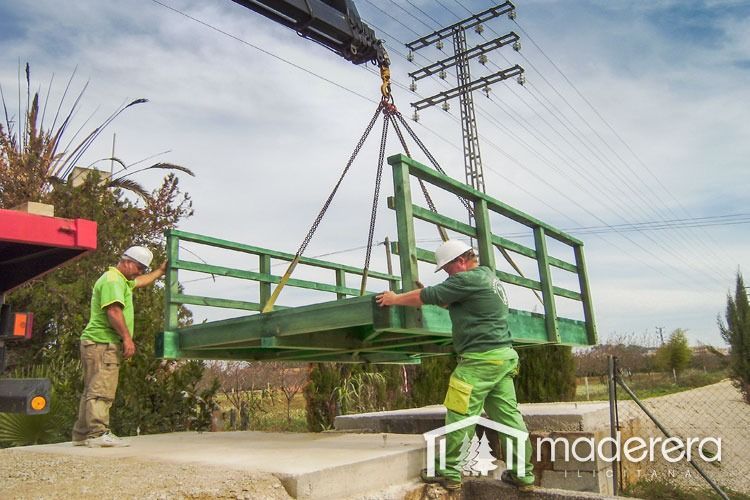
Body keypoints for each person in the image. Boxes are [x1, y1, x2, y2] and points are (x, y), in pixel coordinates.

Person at [376, 240, 535, 491]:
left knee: (460, 414)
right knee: (508, 418)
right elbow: (448, 299)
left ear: (461, 261)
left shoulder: (466, 279)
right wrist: (436, 294)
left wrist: (395, 298)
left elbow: (426, 296)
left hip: (479, 362)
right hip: (502, 358)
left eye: (448, 269)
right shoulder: (486, 277)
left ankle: (450, 471)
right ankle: (523, 474)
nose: (448, 275)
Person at [72, 246, 166, 447]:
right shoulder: (113, 281)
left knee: (92, 389)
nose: (140, 272)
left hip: (95, 343)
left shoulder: (119, 280)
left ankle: (82, 434)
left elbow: (139, 282)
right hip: (103, 343)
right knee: (101, 389)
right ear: (127, 261)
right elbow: (114, 311)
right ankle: (98, 434)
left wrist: (159, 271)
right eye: (139, 267)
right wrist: (127, 339)